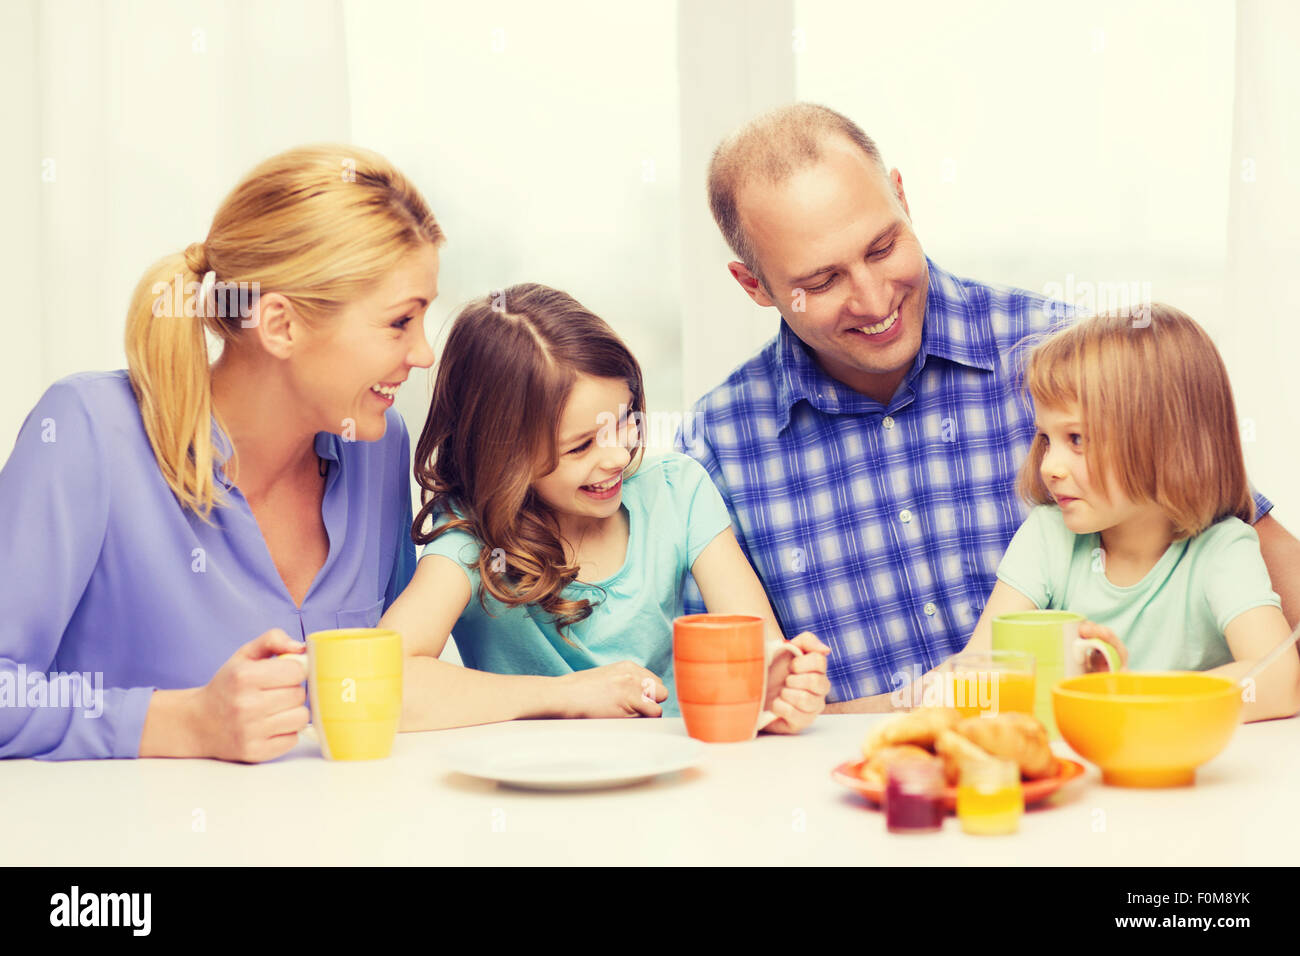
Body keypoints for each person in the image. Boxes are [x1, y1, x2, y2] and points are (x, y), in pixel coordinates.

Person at [676, 102, 1300, 710]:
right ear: (753, 284)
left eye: (882, 246)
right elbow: (718, 706)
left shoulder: (1070, 363)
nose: (872, 300)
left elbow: (1229, 529)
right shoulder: (712, 450)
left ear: (902, 197)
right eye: (822, 282)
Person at [0, 145, 441, 761]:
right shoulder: (89, 432)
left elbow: (396, 685)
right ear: (281, 325)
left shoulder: (376, 446)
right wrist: (180, 721)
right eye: (400, 322)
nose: (423, 353)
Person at [379, 283, 831, 731]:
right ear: (503, 456)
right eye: (580, 447)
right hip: (530, 793)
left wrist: (776, 689)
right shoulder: (473, 537)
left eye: (623, 421)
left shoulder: (677, 492)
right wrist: (568, 697)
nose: (617, 456)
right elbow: (381, 683)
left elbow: (759, 650)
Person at [969, 305, 1300, 722]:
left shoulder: (1222, 549)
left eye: (1076, 439)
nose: (1049, 465)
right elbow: (979, 674)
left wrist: (1130, 695)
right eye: (1046, 438)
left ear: (1163, 443)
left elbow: (1278, 681)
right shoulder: (1046, 536)